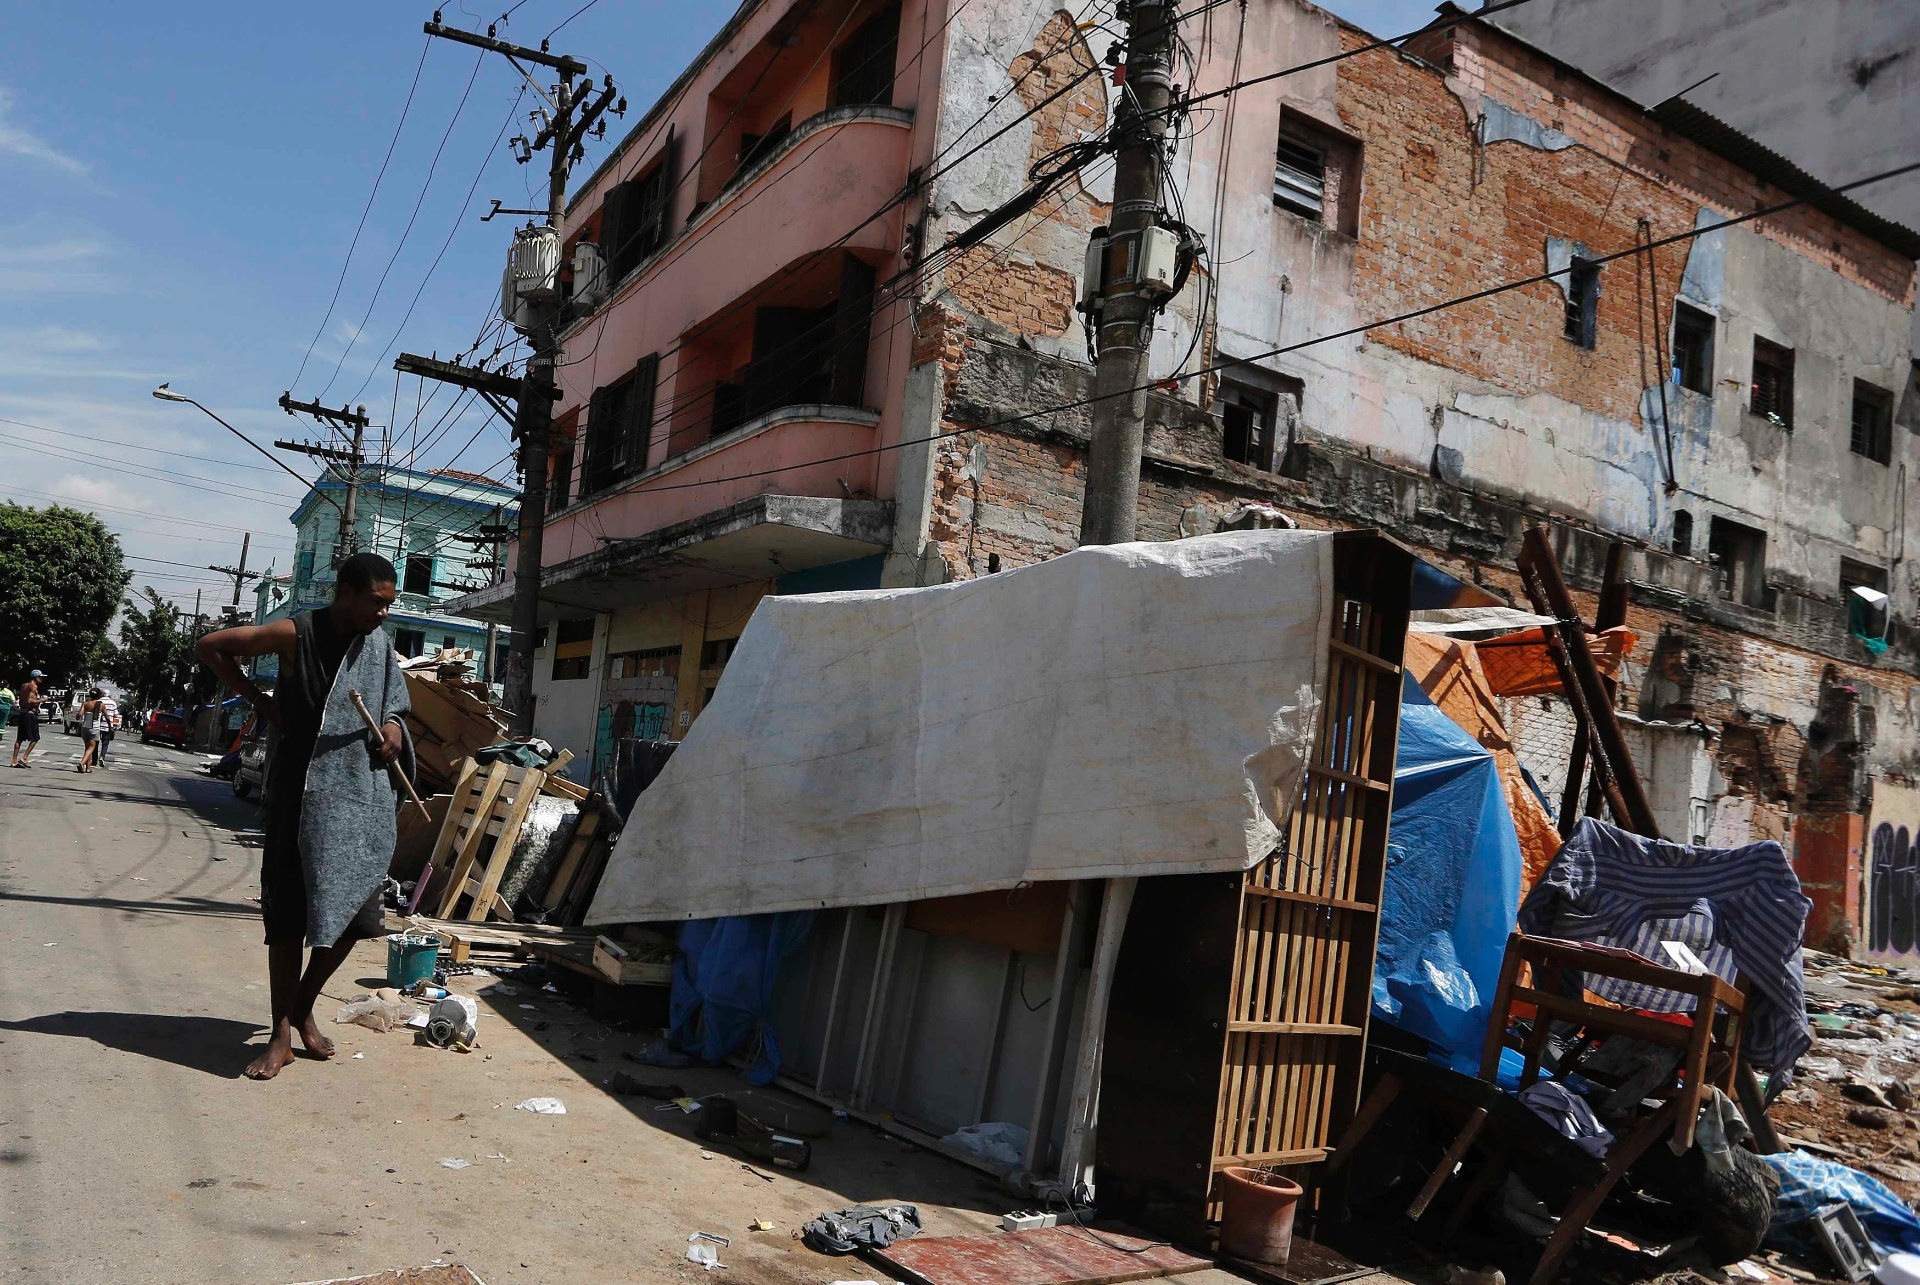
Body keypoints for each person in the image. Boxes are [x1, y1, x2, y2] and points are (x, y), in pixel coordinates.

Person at [196, 553, 413, 1080]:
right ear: (345, 593)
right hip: (301, 796)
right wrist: (257, 701)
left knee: (354, 917)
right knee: (290, 919)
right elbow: (211, 647)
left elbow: (398, 707)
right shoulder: (296, 633)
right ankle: (280, 1034)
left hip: (359, 800)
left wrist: (392, 729)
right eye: (376, 602)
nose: (384, 613)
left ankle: (303, 1004)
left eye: (391, 604)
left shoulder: (379, 645)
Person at [10, 670, 44, 767]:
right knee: (35, 738)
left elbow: (22, 699)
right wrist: (42, 700)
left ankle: (14, 760)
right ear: (35, 677)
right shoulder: (33, 686)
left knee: (19, 738)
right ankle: (24, 758)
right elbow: (30, 700)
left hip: (22, 713)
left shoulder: (24, 686)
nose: (41, 679)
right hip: (29, 714)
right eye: (40, 677)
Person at [76, 688, 108, 772]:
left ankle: (88, 768)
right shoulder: (101, 705)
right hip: (94, 728)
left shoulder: (85, 703)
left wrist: (78, 716)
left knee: (87, 748)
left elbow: (79, 714)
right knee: (91, 747)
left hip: (84, 728)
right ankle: (82, 763)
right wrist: (110, 727)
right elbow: (107, 717)